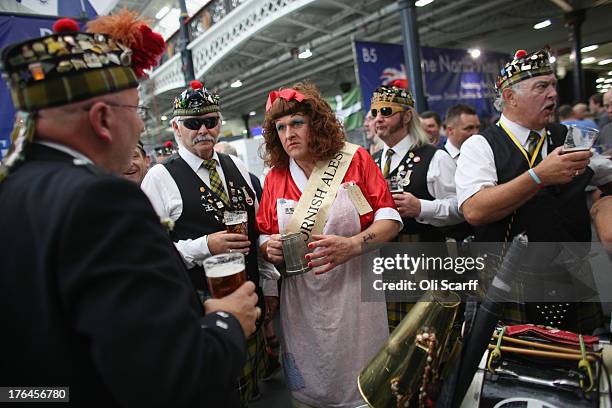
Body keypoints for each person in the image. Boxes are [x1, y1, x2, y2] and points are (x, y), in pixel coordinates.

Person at [0, 12, 258, 408]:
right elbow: (171, 377)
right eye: (136, 111)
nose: (140, 128)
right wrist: (227, 321)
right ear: (103, 118)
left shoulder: (14, 189)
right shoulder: (101, 202)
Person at [256, 82, 402, 407]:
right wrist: (269, 248)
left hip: (356, 297)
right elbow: (264, 235)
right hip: (303, 302)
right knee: (312, 385)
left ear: (316, 123)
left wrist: (353, 245)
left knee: (363, 383)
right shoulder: (275, 178)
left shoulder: (355, 160)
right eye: (280, 127)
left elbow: (390, 220)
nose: (288, 133)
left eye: (296, 123)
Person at [456, 48, 612, 333]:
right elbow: (474, 210)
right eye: (542, 86)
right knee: (514, 370)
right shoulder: (481, 146)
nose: (553, 94)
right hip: (509, 279)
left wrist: (606, 205)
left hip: (571, 274)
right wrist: (538, 176)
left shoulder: (570, 137)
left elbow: (604, 174)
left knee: (579, 366)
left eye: (553, 85)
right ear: (509, 97)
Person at [141, 80, 274, 405]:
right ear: (176, 127)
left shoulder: (238, 166)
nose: (203, 129)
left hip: (250, 298)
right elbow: (150, 257)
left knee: (252, 392)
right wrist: (205, 245)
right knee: (218, 395)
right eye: (193, 123)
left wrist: (268, 266)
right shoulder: (159, 178)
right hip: (203, 308)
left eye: (210, 121)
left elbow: (258, 229)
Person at [369, 85, 463, 331]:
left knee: (427, 339)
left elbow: (461, 209)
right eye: (375, 112)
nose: (378, 118)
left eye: (386, 111)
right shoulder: (373, 161)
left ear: (407, 116)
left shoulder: (435, 157)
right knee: (388, 341)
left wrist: (421, 207)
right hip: (383, 260)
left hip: (424, 257)